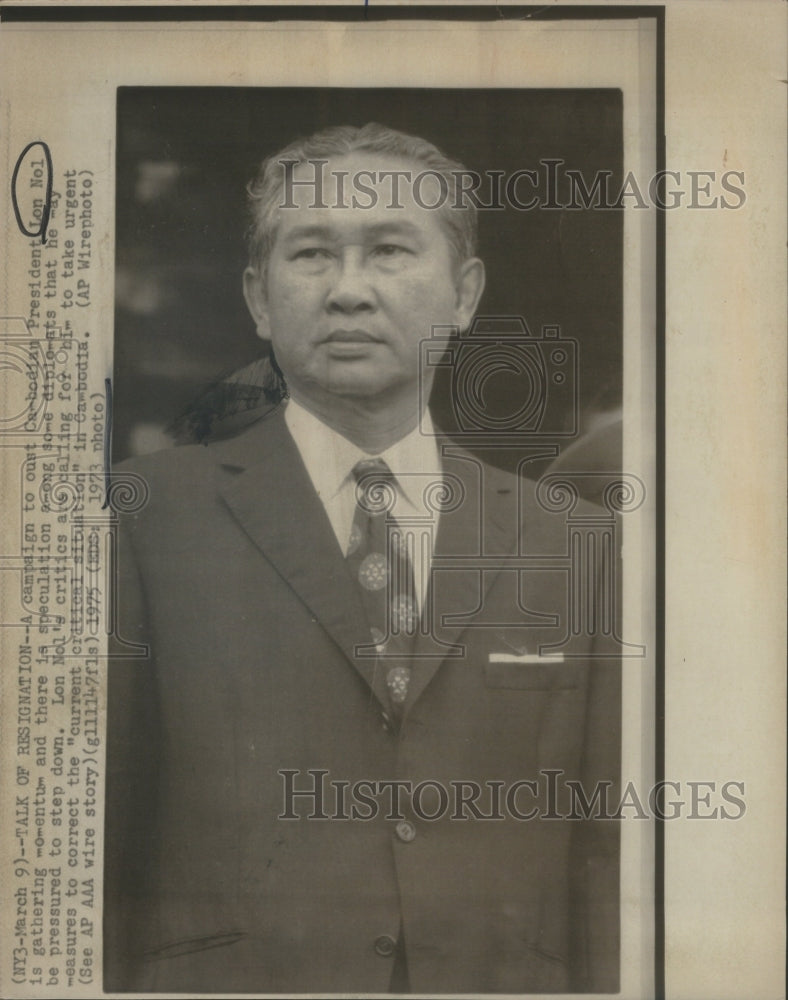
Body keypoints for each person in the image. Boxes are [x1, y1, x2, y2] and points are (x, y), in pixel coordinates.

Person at [104, 123, 620, 995]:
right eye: (310, 253)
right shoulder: (137, 518)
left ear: (465, 294)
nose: (348, 292)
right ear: (258, 300)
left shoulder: (576, 540)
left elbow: (605, 862)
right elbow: (96, 842)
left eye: (388, 250)